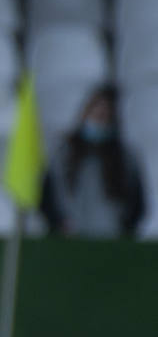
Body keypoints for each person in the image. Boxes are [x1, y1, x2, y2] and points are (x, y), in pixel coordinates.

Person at [40, 84, 147, 238]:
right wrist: (58, 223)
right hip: (69, 239)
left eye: (105, 116)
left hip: (111, 241)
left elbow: (137, 205)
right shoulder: (63, 154)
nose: (100, 118)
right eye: (96, 113)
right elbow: (47, 198)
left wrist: (124, 229)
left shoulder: (125, 157)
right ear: (86, 113)